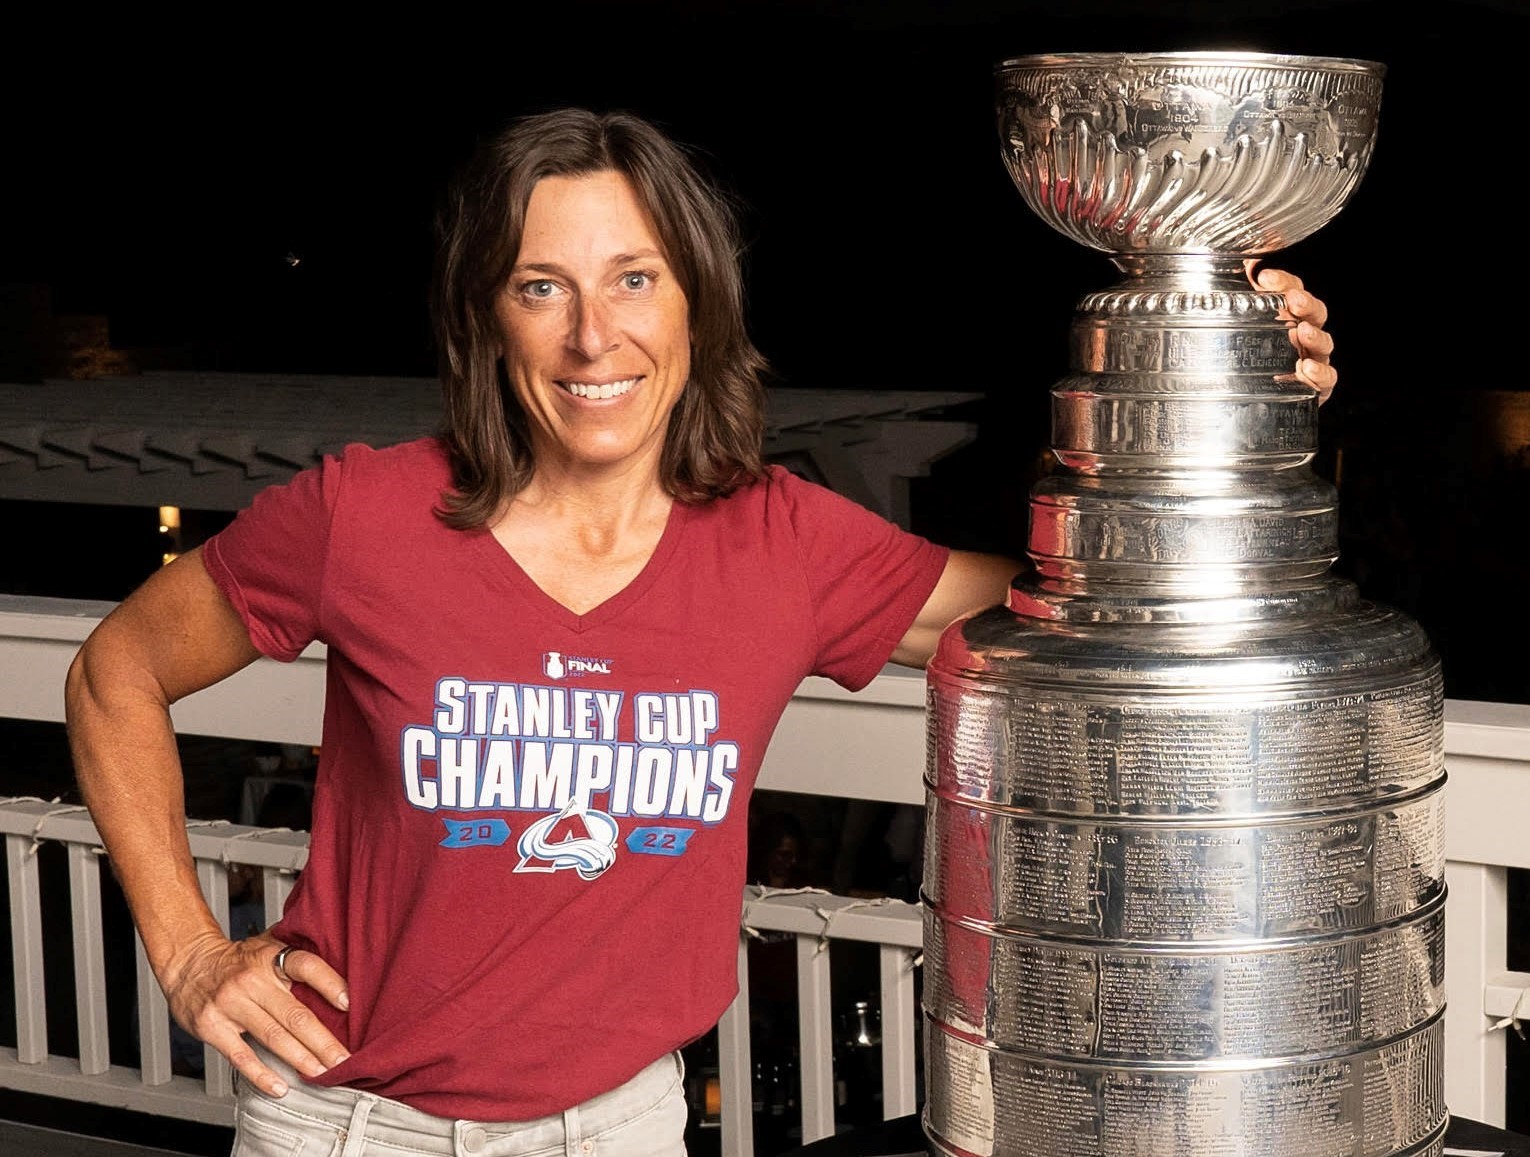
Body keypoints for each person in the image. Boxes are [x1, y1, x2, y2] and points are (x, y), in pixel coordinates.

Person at [63, 107, 1337, 1155]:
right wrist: (185, 952)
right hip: (349, 1124)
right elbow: (116, 667)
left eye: (634, 279)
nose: (592, 335)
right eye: (539, 287)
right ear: (487, 318)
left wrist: (1224, 385)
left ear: (694, 304)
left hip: (623, 1125)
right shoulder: (363, 514)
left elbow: (1096, 602)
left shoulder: (783, 543)